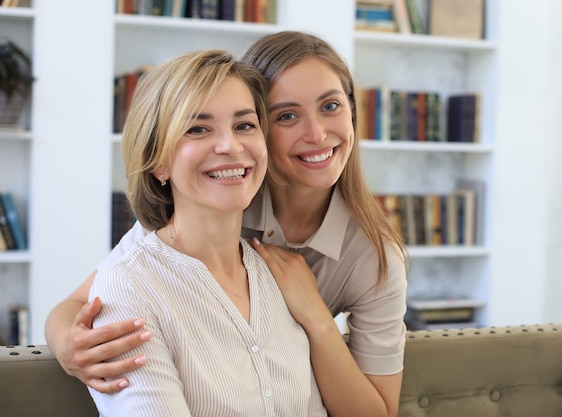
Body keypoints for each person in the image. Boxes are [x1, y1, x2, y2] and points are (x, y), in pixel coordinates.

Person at [45, 31, 408, 417]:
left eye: (331, 105)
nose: (316, 134)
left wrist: (316, 318)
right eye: (286, 115)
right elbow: (99, 292)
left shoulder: (373, 255)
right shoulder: (217, 195)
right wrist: (68, 342)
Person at [82, 48, 327, 416]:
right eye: (198, 129)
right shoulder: (128, 287)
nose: (231, 146)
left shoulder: (282, 276)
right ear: (158, 162)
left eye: (245, 125)